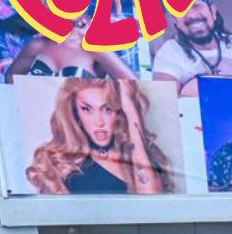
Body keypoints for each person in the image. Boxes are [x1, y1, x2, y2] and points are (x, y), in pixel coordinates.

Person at [26, 77, 170, 195]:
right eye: (87, 109)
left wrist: (130, 108)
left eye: (108, 109)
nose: (99, 122)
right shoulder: (56, 161)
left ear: (120, 113)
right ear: (75, 112)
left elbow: (152, 204)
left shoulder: (139, 155)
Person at [152, 0, 232, 96]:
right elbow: (166, 103)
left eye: (196, 6)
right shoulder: (169, 53)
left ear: (213, 11)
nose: (192, 15)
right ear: (175, 21)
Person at [5, 12, 136, 82]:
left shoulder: (93, 46)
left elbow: (133, 84)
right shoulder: (36, 46)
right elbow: (11, 77)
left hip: (78, 128)